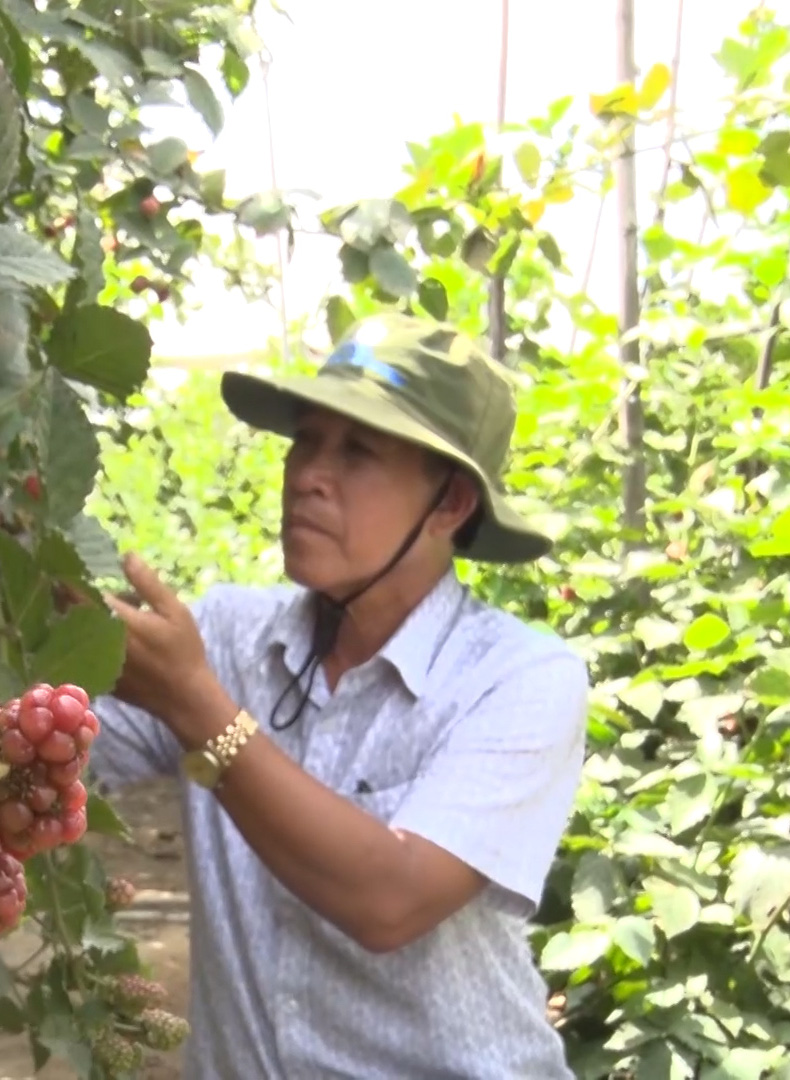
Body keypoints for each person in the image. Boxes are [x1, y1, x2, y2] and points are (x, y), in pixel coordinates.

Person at [89, 312, 590, 1078]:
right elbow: (61, 751)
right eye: (308, 441)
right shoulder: (226, 638)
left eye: (358, 452)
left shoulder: (518, 679)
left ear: (449, 505)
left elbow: (390, 900)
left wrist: (198, 709)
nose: (307, 475)